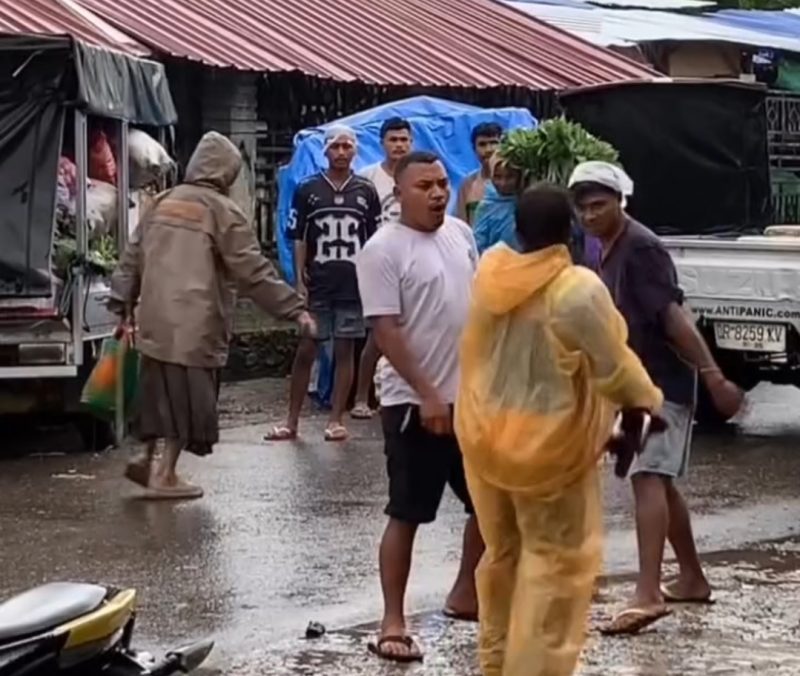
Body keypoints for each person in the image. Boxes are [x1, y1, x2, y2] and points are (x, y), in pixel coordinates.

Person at [456, 183, 664, 676]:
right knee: (552, 568)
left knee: (503, 556)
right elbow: (615, 365)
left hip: (485, 440)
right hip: (546, 449)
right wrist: (642, 407)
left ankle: (496, 663)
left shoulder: (490, 272)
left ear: (517, 230)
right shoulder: (576, 290)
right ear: (570, 230)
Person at [568, 161, 745, 635]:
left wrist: (713, 376)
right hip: (630, 381)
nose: (589, 215)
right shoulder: (597, 246)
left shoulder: (641, 247)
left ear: (619, 202)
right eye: (582, 207)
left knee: (648, 476)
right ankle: (691, 577)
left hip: (661, 382)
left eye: (599, 205)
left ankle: (648, 591)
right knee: (659, 481)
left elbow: (673, 317)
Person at [110, 131, 314, 499]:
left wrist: (122, 304)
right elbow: (252, 270)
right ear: (227, 172)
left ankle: (145, 455)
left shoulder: (162, 202)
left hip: (155, 319)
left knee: (157, 394)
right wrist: (294, 309)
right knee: (188, 401)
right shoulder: (222, 212)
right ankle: (167, 473)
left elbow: (131, 257)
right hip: (196, 325)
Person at [356, 151, 483, 663]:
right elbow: (385, 330)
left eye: (442, 183)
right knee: (407, 512)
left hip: (469, 401)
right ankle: (393, 619)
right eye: (424, 186)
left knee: (488, 506)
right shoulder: (383, 249)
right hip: (414, 402)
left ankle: (466, 591)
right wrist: (429, 392)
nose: (436, 194)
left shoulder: (460, 234)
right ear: (399, 193)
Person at [266, 126, 381, 442]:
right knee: (307, 347)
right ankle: (291, 421)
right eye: (336, 147)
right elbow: (299, 237)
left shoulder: (365, 191)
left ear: (354, 151)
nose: (341, 152)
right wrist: (299, 279)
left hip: (353, 283)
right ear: (325, 151)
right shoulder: (308, 189)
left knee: (346, 349)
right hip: (319, 281)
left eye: (347, 146)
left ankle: (335, 418)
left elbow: (373, 239)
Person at [351, 118, 413, 419]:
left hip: (412, 262)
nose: (399, 145)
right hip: (378, 262)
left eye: (404, 139)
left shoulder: (418, 175)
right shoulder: (367, 178)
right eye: (393, 140)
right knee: (378, 333)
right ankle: (361, 397)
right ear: (382, 143)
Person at [472, 153, 524, 254]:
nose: (503, 183)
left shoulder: (527, 202)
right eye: (497, 177)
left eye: (510, 177)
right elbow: (478, 244)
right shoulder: (486, 207)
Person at [457, 122, 503, 226]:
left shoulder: (513, 180)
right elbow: (462, 223)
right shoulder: (467, 184)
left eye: (494, 143)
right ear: (474, 149)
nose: (488, 149)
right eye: (482, 144)